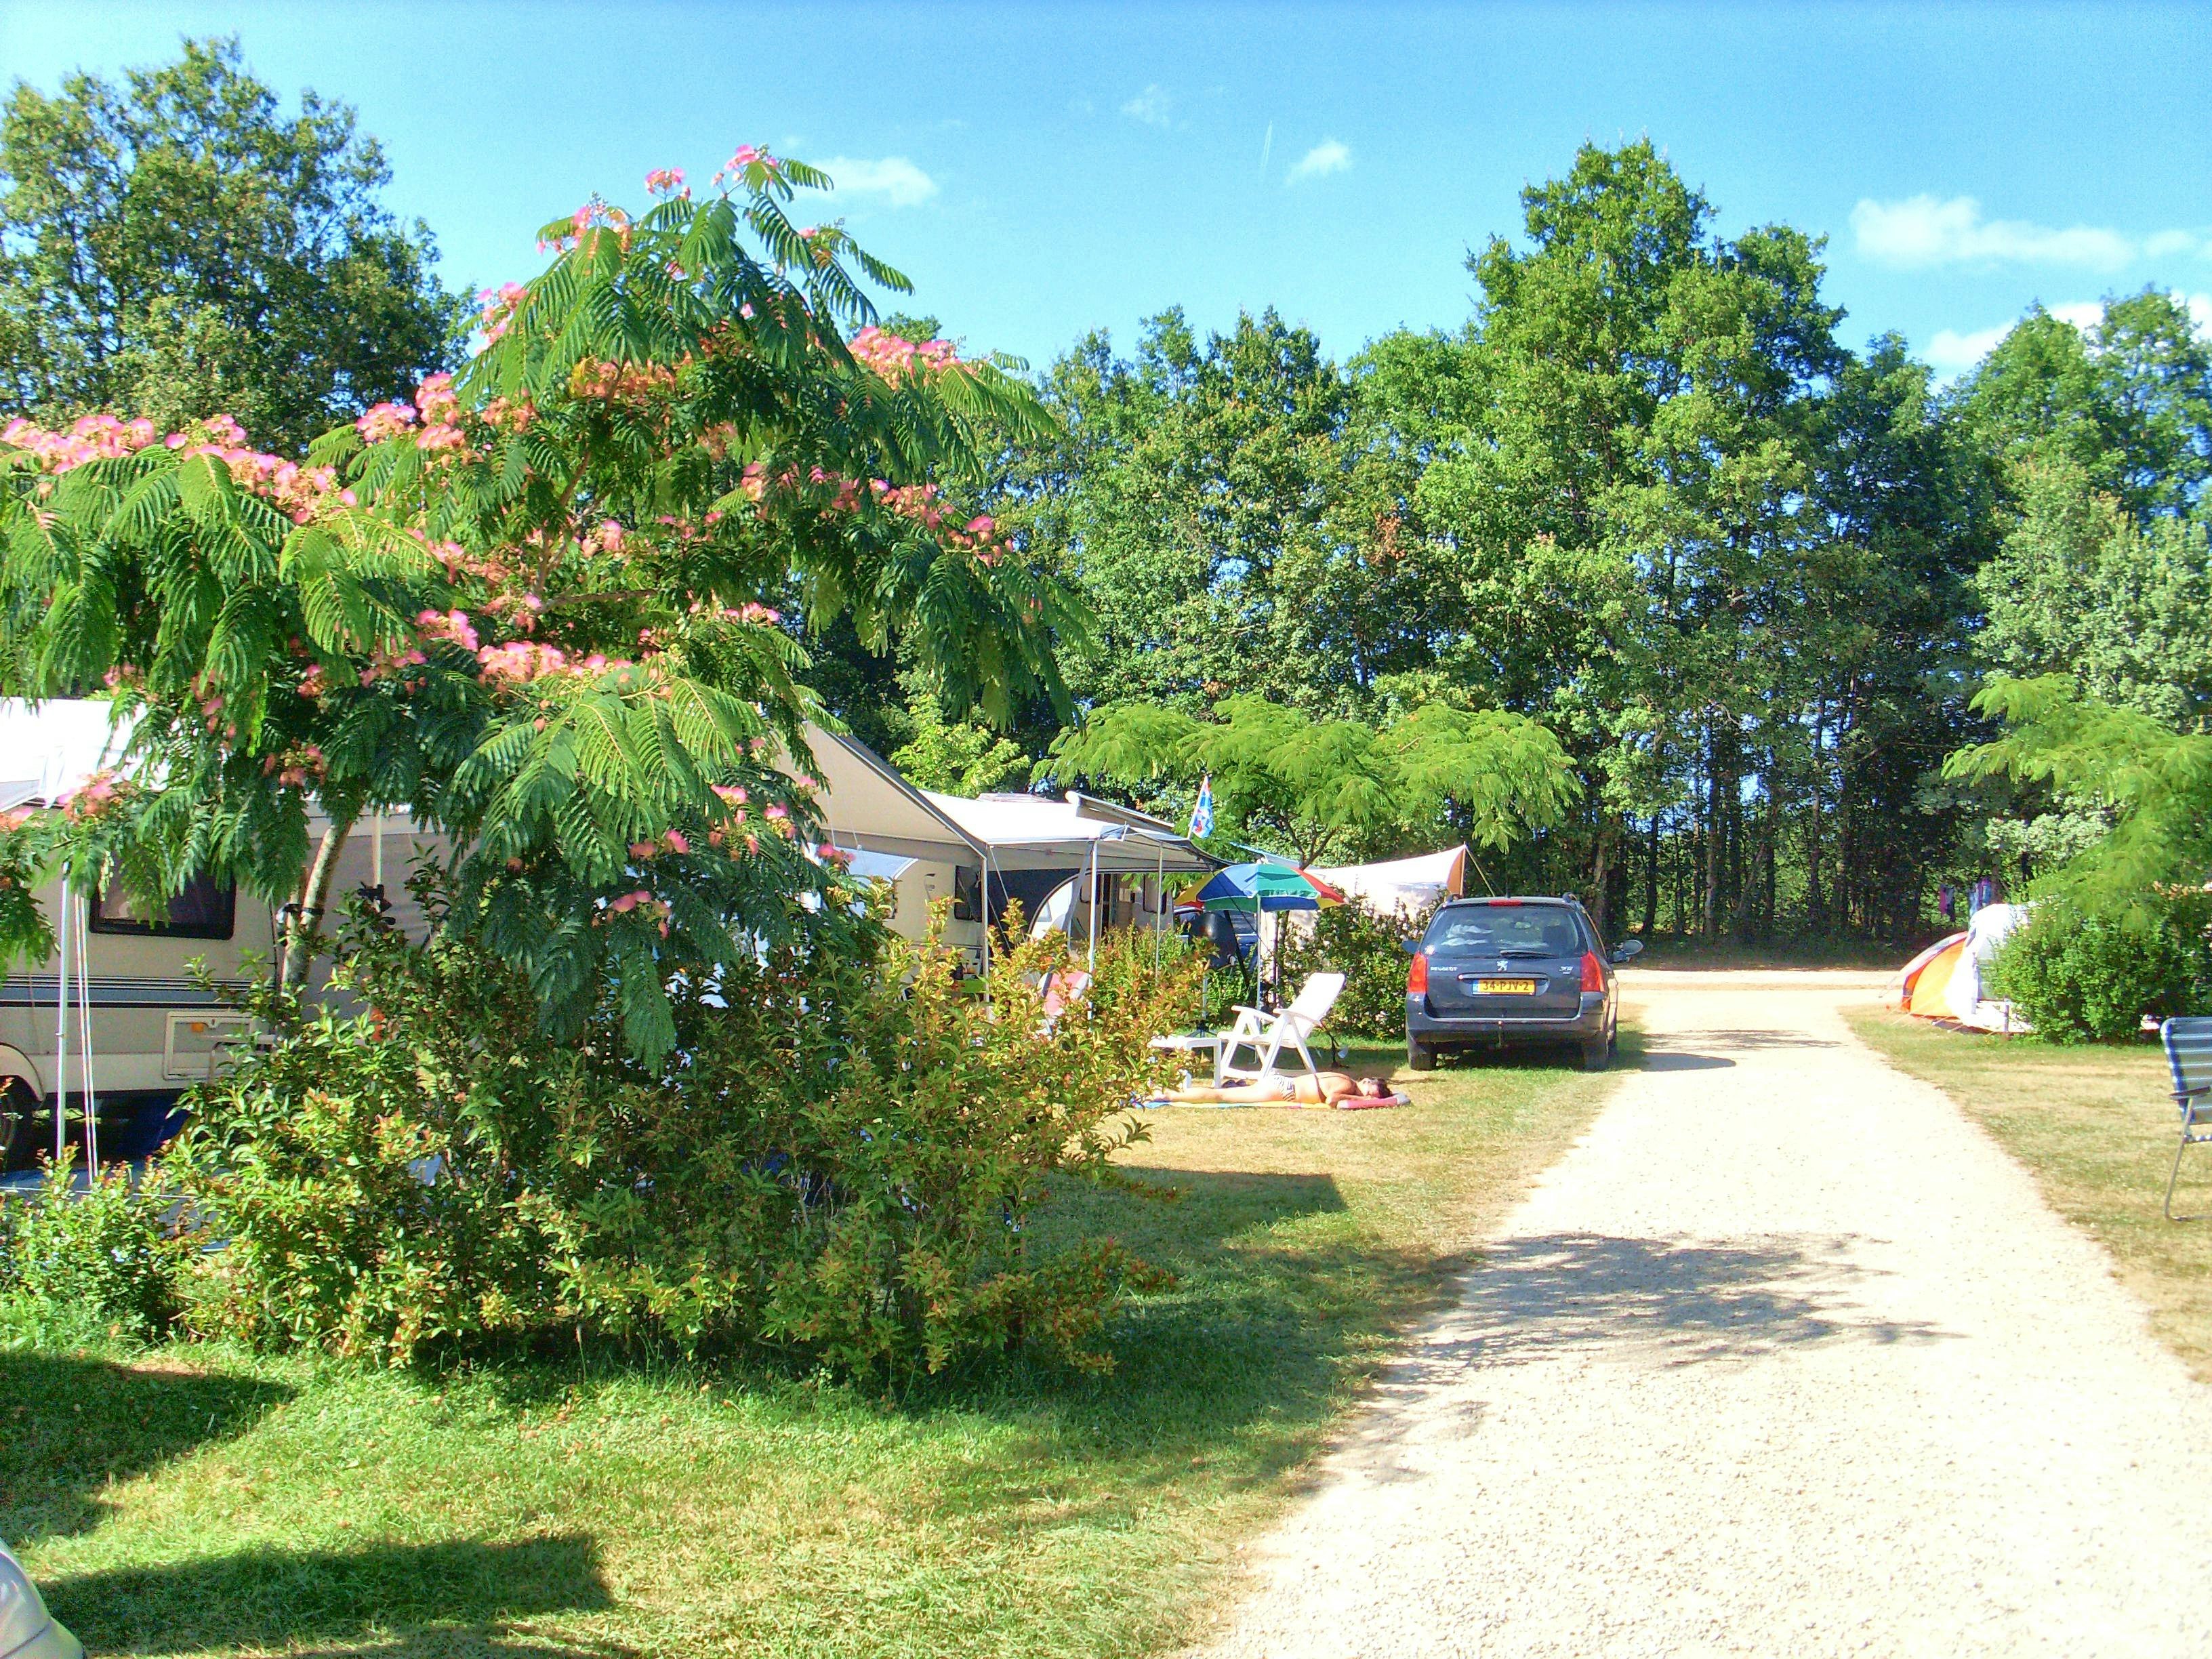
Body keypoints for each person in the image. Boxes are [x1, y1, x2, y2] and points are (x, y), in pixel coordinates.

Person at [1163, 1070, 1388, 1107]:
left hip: (1282, 1084)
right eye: (1370, 1094)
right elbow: (1332, 1100)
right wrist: (1364, 1102)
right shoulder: (1348, 1085)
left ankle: (1170, 1093)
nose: (1366, 1097)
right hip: (1284, 1090)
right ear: (1366, 1082)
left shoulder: (1344, 1077)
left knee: (1224, 1094)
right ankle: (1170, 1095)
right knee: (1221, 1096)